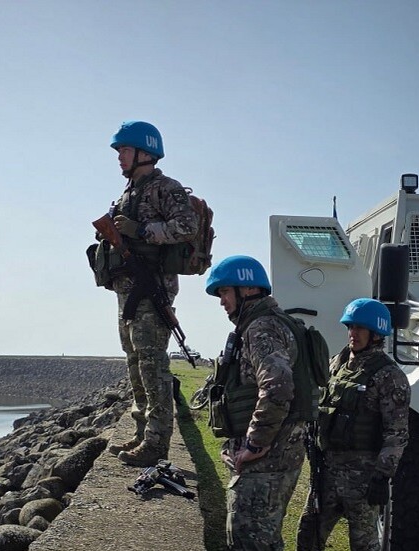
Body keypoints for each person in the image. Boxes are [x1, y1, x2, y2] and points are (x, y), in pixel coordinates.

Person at [102, 120, 199, 467]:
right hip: (126, 290)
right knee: (134, 360)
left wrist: (143, 229)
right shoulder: (127, 193)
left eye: (124, 150)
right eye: (119, 151)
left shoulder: (165, 188)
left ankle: (157, 442)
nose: (119, 157)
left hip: (152, 287)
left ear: (145, 153)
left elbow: (188, 226)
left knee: (152, 364)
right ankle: (142, 431)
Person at [205, 255, 306, 551]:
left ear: (247, 289)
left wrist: (255, 444)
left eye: (225, 292)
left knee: (249, 539)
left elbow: (278, 385)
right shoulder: (276, 322)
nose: (222, 301)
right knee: (265, 537)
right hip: (282, 451)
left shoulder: (261, 327)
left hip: (267, 458)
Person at [296, 298, 411, 551]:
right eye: (350, 327)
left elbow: (397, 433)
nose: (353, 334)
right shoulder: (336, 364)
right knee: (308, 535)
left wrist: (382, 477)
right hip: (326, 472)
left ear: (377, 333)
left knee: (363, 544)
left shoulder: (390, 376)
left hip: (363, 478)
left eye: (360, 328)